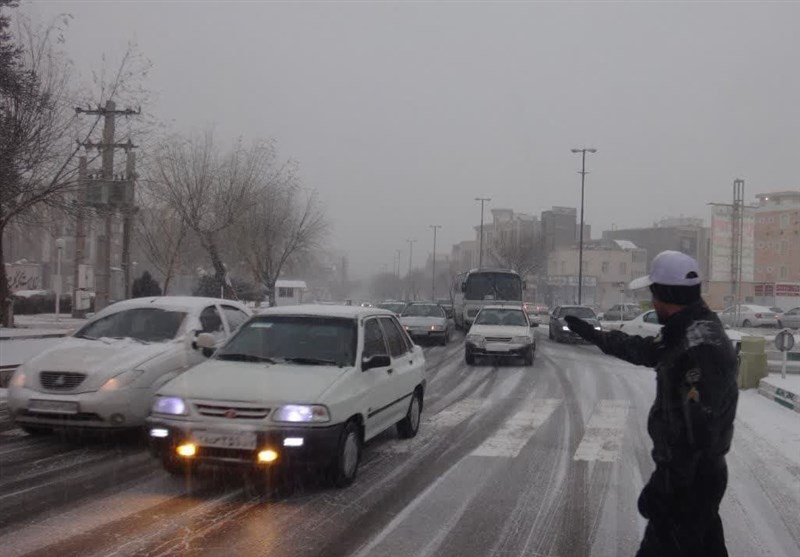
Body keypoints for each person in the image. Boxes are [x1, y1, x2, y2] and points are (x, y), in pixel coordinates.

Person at [564, 250, 737, 557]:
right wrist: (597, 336)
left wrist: (665, 486)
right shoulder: (688, 328)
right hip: (697, 481)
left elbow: (696, 435)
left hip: (690, 483)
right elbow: (644, 350)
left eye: (654, 292)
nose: (652, 301)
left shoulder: (699, 347)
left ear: (664, 295)